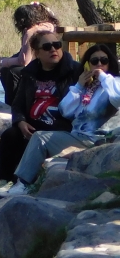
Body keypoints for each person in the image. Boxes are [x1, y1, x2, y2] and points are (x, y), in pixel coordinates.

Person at [12, 42, 120, 188]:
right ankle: (21, 184)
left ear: (110, 63)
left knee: (40, 138)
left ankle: (24, 184)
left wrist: (103, 77)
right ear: (88, 65)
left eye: (104, 61)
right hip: (78, 138)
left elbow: (117, 97)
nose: (99, 64)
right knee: (39, 137)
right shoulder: (86, 88)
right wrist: (79, 86)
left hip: (100, 140)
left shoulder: (114, 83)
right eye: (94, 61)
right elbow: (66, 110)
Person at [0, 29, 81, 185]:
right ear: (37, 52)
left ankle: (22, 183)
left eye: (57, 45)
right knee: (10, 135)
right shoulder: (29, 74)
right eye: (47, 47)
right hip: (33, 125)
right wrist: (20, 121)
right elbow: (18, 104)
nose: (53, 49)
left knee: (35, 140)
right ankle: (2, 182)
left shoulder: (74, 71)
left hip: (61, 126)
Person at [0, 2, 60, 106]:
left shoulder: (31, 32)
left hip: (44, 69)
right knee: (5, 69)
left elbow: (24, 61)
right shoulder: (47, 26)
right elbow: (22, 53)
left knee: (12, 72)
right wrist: (2, 64)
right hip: (48, 65)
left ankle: (13, 106)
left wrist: (1, 61)